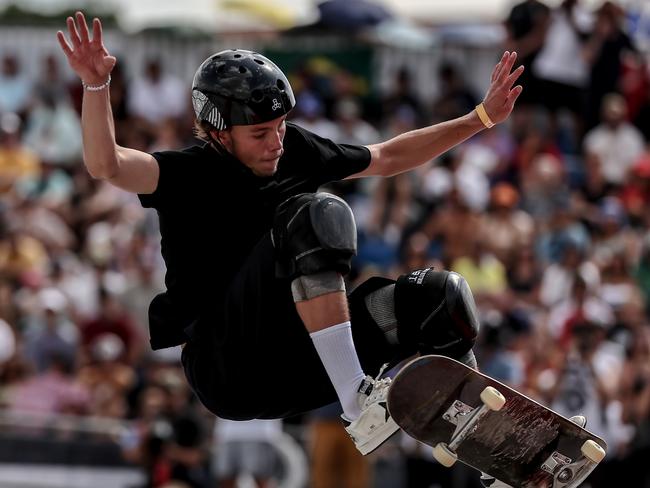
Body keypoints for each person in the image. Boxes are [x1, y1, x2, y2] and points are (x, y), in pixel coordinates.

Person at [57, 11, 523, 458]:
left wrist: (479, 119)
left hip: (301, 362)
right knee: (311, 215)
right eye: (259, 133)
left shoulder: (295, 148)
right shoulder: (186, 173)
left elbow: (386, 157)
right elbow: (107, 164)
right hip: (229, 368)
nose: (276, 142)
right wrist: (96, 85)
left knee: (442, 298)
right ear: (219, 132)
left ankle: (488, 443)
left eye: (280, 127)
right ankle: (358, 404)